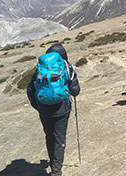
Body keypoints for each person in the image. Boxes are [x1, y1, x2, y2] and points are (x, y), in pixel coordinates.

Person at [27, 43, 80, 176]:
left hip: (44, 109)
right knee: (59, 139)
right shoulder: (67, 67)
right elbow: (75, 91)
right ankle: (56, 171)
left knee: (49, 137)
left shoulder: (40, 69)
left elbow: (30, 90)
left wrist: (38, 106)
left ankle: (52, 162)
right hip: (62, 109)